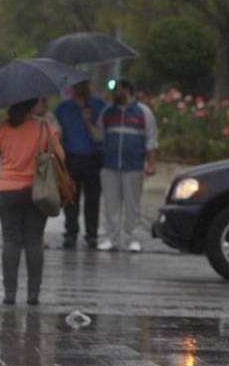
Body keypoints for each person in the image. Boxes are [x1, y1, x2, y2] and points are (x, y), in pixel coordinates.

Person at [0, 97, 65, 306]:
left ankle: (9, 295)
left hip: (6, 191)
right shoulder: (44, 127)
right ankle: (33, 296)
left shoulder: (2, 127)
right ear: (33, 104)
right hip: (36, 192)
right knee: (34, 240)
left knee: (10, 240)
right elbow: (61, 156)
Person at [94, 78, 158, 252]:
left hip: (134, 166)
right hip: (110, 166)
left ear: (127, 90)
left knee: (132, 205)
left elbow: (151, 140)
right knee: (110, 205)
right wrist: (86, 121)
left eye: (118, 90)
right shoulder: (108, 111)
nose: (114, 93)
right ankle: (110, 238)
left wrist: (151, 164)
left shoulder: (143, 112)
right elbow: (99, 135)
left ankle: (133, 239)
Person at [53, 80, 106, 249]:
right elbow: (57, 131)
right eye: (76, 86)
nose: (79, 89)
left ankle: (91, 234)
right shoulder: (63, 108)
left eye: (83, 86)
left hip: (93, 158)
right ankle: (71, 232)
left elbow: (102, 135)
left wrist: (88, 121)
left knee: (92, 198)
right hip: (71, 158)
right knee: (70, 198)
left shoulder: (99, 106)